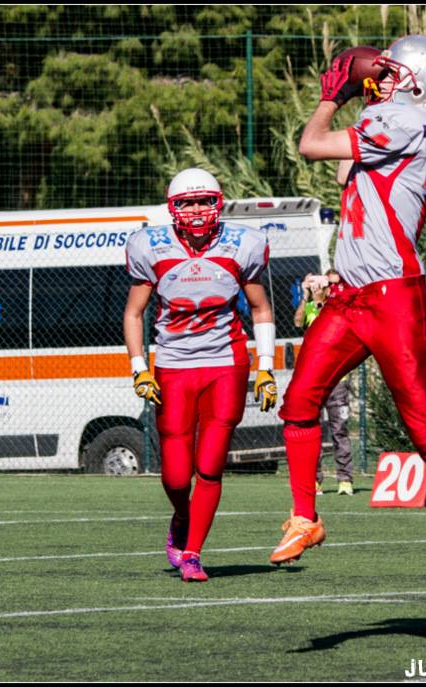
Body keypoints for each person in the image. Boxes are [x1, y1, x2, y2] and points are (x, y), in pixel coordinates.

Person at [277, 35, 426, 604]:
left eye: (392, 71)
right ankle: (303, 517)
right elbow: (355, 183)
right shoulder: (416, 129)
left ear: (417, 81)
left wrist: (333, 94)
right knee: (298, 402)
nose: (380, 78)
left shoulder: (402, 123)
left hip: (393, 295)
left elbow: (310, 144)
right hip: (352, 293)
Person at [123, 167, 277, 582]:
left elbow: (260, 308)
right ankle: (182, 516)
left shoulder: (241, 244)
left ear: (218, 203)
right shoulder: (150, 246)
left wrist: (265, 367)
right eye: (187, 202)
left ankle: (192, 552)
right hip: (173, 363)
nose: (195, 210)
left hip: (225, 362)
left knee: (209, 466)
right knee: (175, 473)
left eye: (204, 201)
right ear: (173, 208)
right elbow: (134, 312)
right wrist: (139, 367)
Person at [292, 270, 354, 497]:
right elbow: (298, 322)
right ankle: (314, 481)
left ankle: (345, 479)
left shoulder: (338, 308)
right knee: (312, 431)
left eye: (326, 285)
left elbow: (328, 328)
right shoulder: (311, 307)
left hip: (337, 380)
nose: (324, 289)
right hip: (314, 379)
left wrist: (321, 304)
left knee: (339, 430)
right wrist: (306, 297)